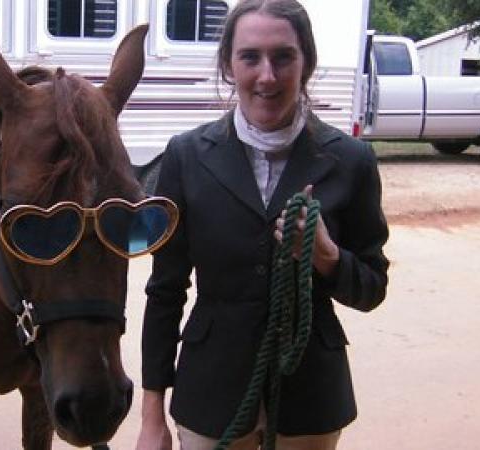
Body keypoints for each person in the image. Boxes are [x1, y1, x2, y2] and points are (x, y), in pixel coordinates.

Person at [136, 0, 390, 449]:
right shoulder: (187, 155)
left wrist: (327, 258)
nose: (267, 75)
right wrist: (151, 416)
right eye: (250, 56)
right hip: (210, 392)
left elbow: (371, 288)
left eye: (283, 57)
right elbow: (165, 290)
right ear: (229, 65)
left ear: (306, 62)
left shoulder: (351, 160)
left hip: (310, 397)